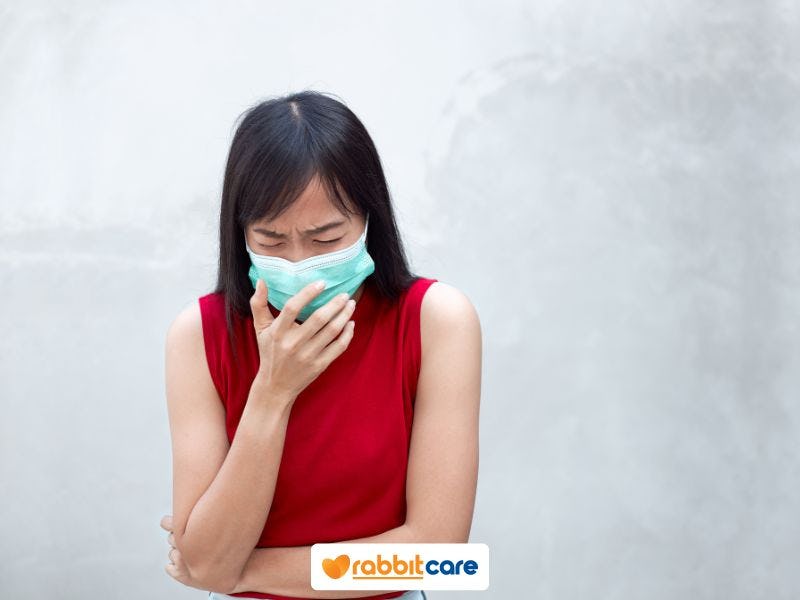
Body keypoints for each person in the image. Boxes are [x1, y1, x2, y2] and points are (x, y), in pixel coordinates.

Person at [160, 90, 482, 600]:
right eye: (270, 240)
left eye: (326, 239)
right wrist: (273, 391)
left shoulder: (437, 321)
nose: (299, 263)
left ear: (369, 219)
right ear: (239, 232)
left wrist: (240, 572)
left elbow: (441, 557)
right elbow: (204, 560)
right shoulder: (198, 335)